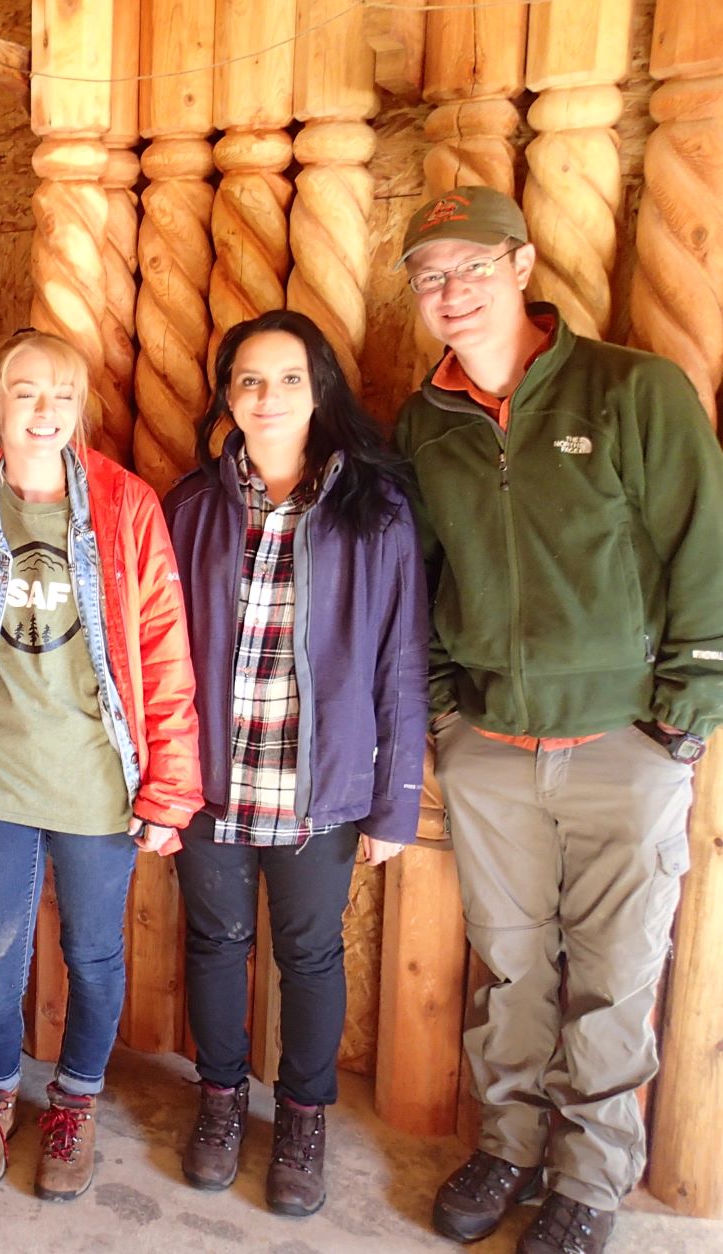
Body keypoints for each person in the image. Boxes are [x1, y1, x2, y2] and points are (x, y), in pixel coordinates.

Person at [394, 186, 723, 1254]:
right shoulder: (423, 422)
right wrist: (448, 713)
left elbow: (702, 552)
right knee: (511, 967)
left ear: (522, 263)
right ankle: (509, 1146)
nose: (451, 292)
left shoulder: (633, 390)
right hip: (491, 747)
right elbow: (423, 578)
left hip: (621, 745)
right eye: (430, 276)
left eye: (471, 268)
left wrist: (679, 717)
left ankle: (588, 1180)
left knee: (617, 976)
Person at [163, 310, 428, 1216]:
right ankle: (221, 1101)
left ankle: (304, 1118)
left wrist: (394, 805)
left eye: (286, 379)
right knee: (215, 941)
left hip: (322, 785)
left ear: (320, 392)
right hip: (212, 781)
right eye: (247, 380)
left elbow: (400, 661)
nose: (266, 397)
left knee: (310, 954)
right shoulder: (193, 507)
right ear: (226, 397)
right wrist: (162, 778)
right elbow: (155, 654)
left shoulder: (377, 510)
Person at [0, 331, 201, 1203]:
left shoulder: (126, 504)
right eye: (24, 391)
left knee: (92, 956)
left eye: (60, 393)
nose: (43, 409)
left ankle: (75, 1104)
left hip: (97, 778)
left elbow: (162, 647)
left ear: (80, 405)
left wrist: (169, 788)